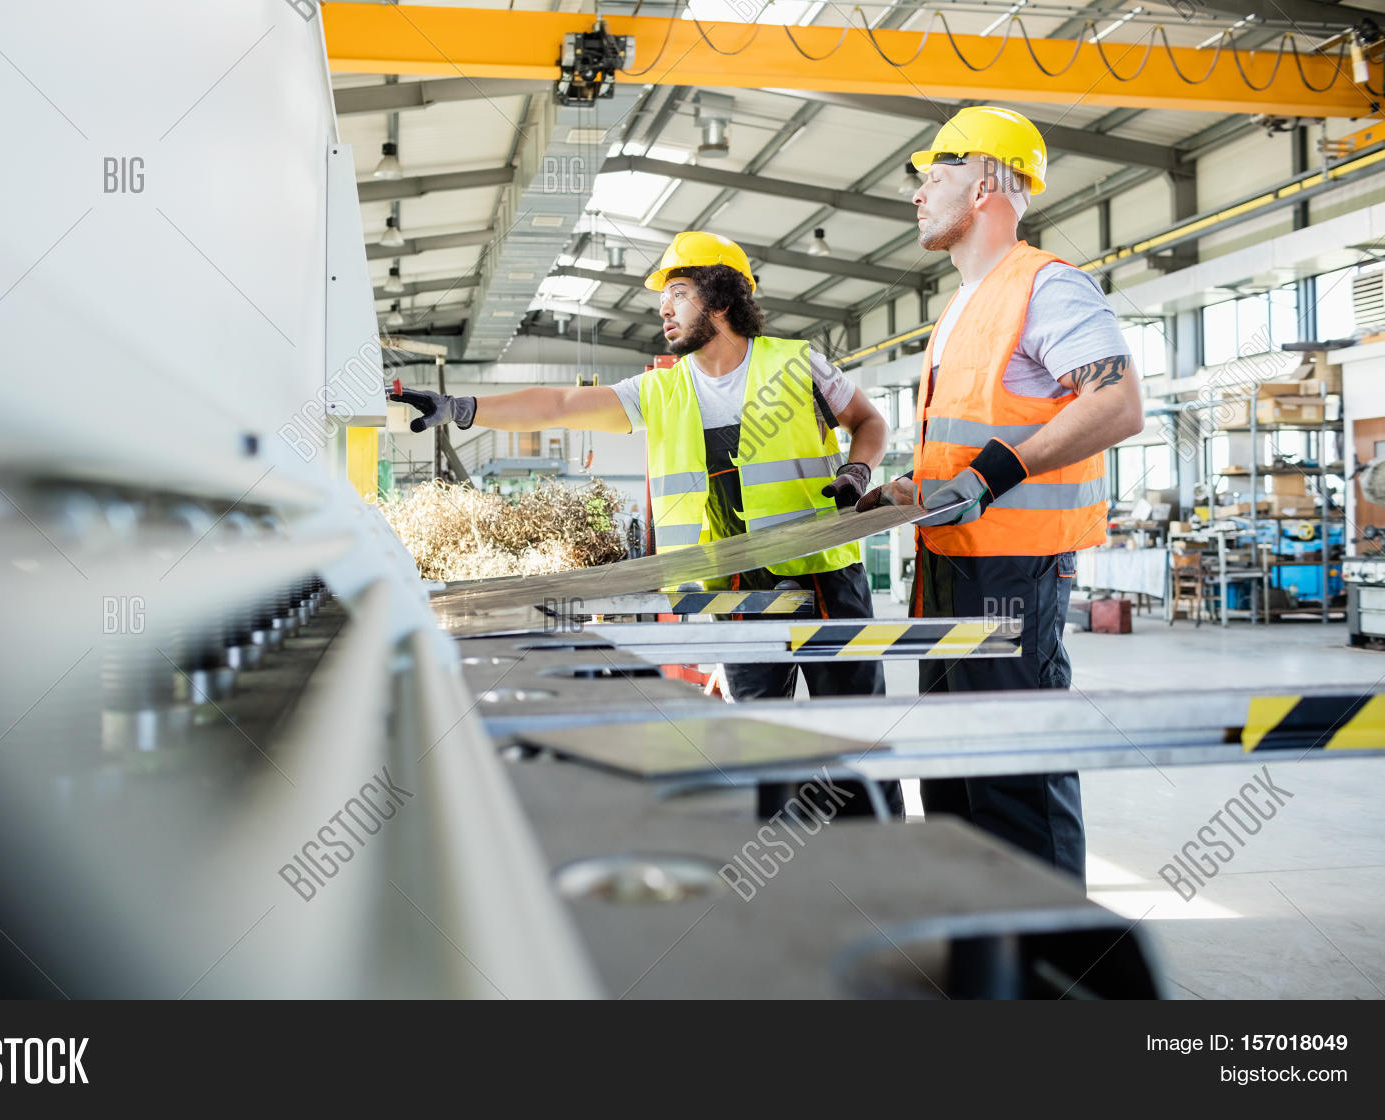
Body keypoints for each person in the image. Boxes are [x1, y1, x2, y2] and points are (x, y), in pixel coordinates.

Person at [392, 230, 903, 818]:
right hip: (734, 594)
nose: (663, 307)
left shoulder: (795, 361)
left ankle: (879, 866)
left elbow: (869, 420)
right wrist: (463, 408)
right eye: (663, 295)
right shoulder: (660, 390)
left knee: (854, 739)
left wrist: (858, 471)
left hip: (823, 579)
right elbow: (559, 406)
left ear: (721, 299)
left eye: (678, 291)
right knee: (760, 745)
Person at [857, 106, 1144, 881]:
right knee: (952, 778)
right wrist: (909, 490)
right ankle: (980, 962)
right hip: (948, 569)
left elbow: (1117, 404)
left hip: (1013, 578)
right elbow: (967, 447)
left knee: (1016, 778)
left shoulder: (1046, 285)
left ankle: (1053, 971)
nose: (918, 194)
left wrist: (992, 475)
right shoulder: (959, 306)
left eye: (935, 176)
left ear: (985, 183)